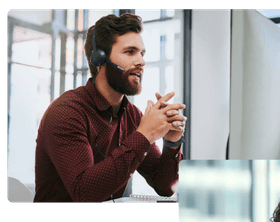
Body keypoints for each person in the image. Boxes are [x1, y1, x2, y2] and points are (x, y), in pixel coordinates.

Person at [34, 13, 187, 203]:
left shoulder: (131, 115)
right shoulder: (67, 112)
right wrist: (145, 134)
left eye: (142, 53)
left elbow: (165, 186)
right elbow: (84, 193)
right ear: (100, 58)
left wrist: (172, 143)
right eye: (130, 52)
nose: (141, 61)